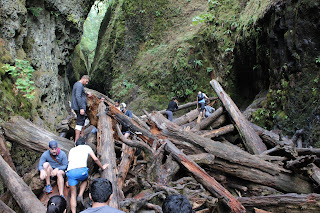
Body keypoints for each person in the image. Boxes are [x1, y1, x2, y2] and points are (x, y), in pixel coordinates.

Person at [67, 138, 108, 213]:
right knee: (85, 180)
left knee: (73, 194)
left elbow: (69, 162)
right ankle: (80, 195)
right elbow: (95, 159)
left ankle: (73, 212)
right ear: (84, 143)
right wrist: (102, 167)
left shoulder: (72, 150)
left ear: (76, 144)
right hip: (82, 171)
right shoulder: (86, 147)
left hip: (71, 172)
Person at [71, 75, 91, 143]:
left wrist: (85, 94)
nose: (86, 83)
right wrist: (81, 108)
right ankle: (76, 141)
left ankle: (81, 136)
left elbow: (80, 94)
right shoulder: (79, 85)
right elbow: (78, 96)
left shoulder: (77, 84)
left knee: (82, 121)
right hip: (79, 107)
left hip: (77, 107)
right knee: (79, 123)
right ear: (83, 79)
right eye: (86, 81)